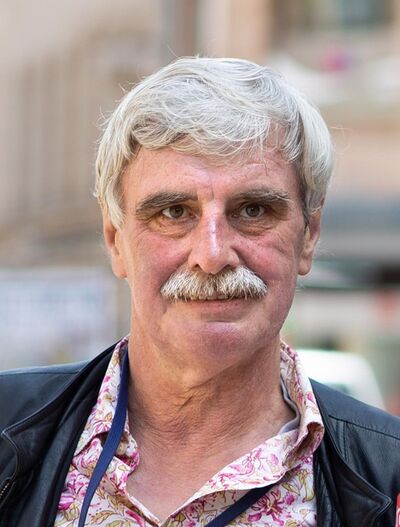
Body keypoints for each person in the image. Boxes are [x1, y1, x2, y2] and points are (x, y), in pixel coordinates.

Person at [0, 57, 399, 527]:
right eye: (173, 212)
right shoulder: (7, 430)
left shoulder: (388, 475)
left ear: (308, 235)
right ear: (115, 240)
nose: (212, 255)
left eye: (253, 210)